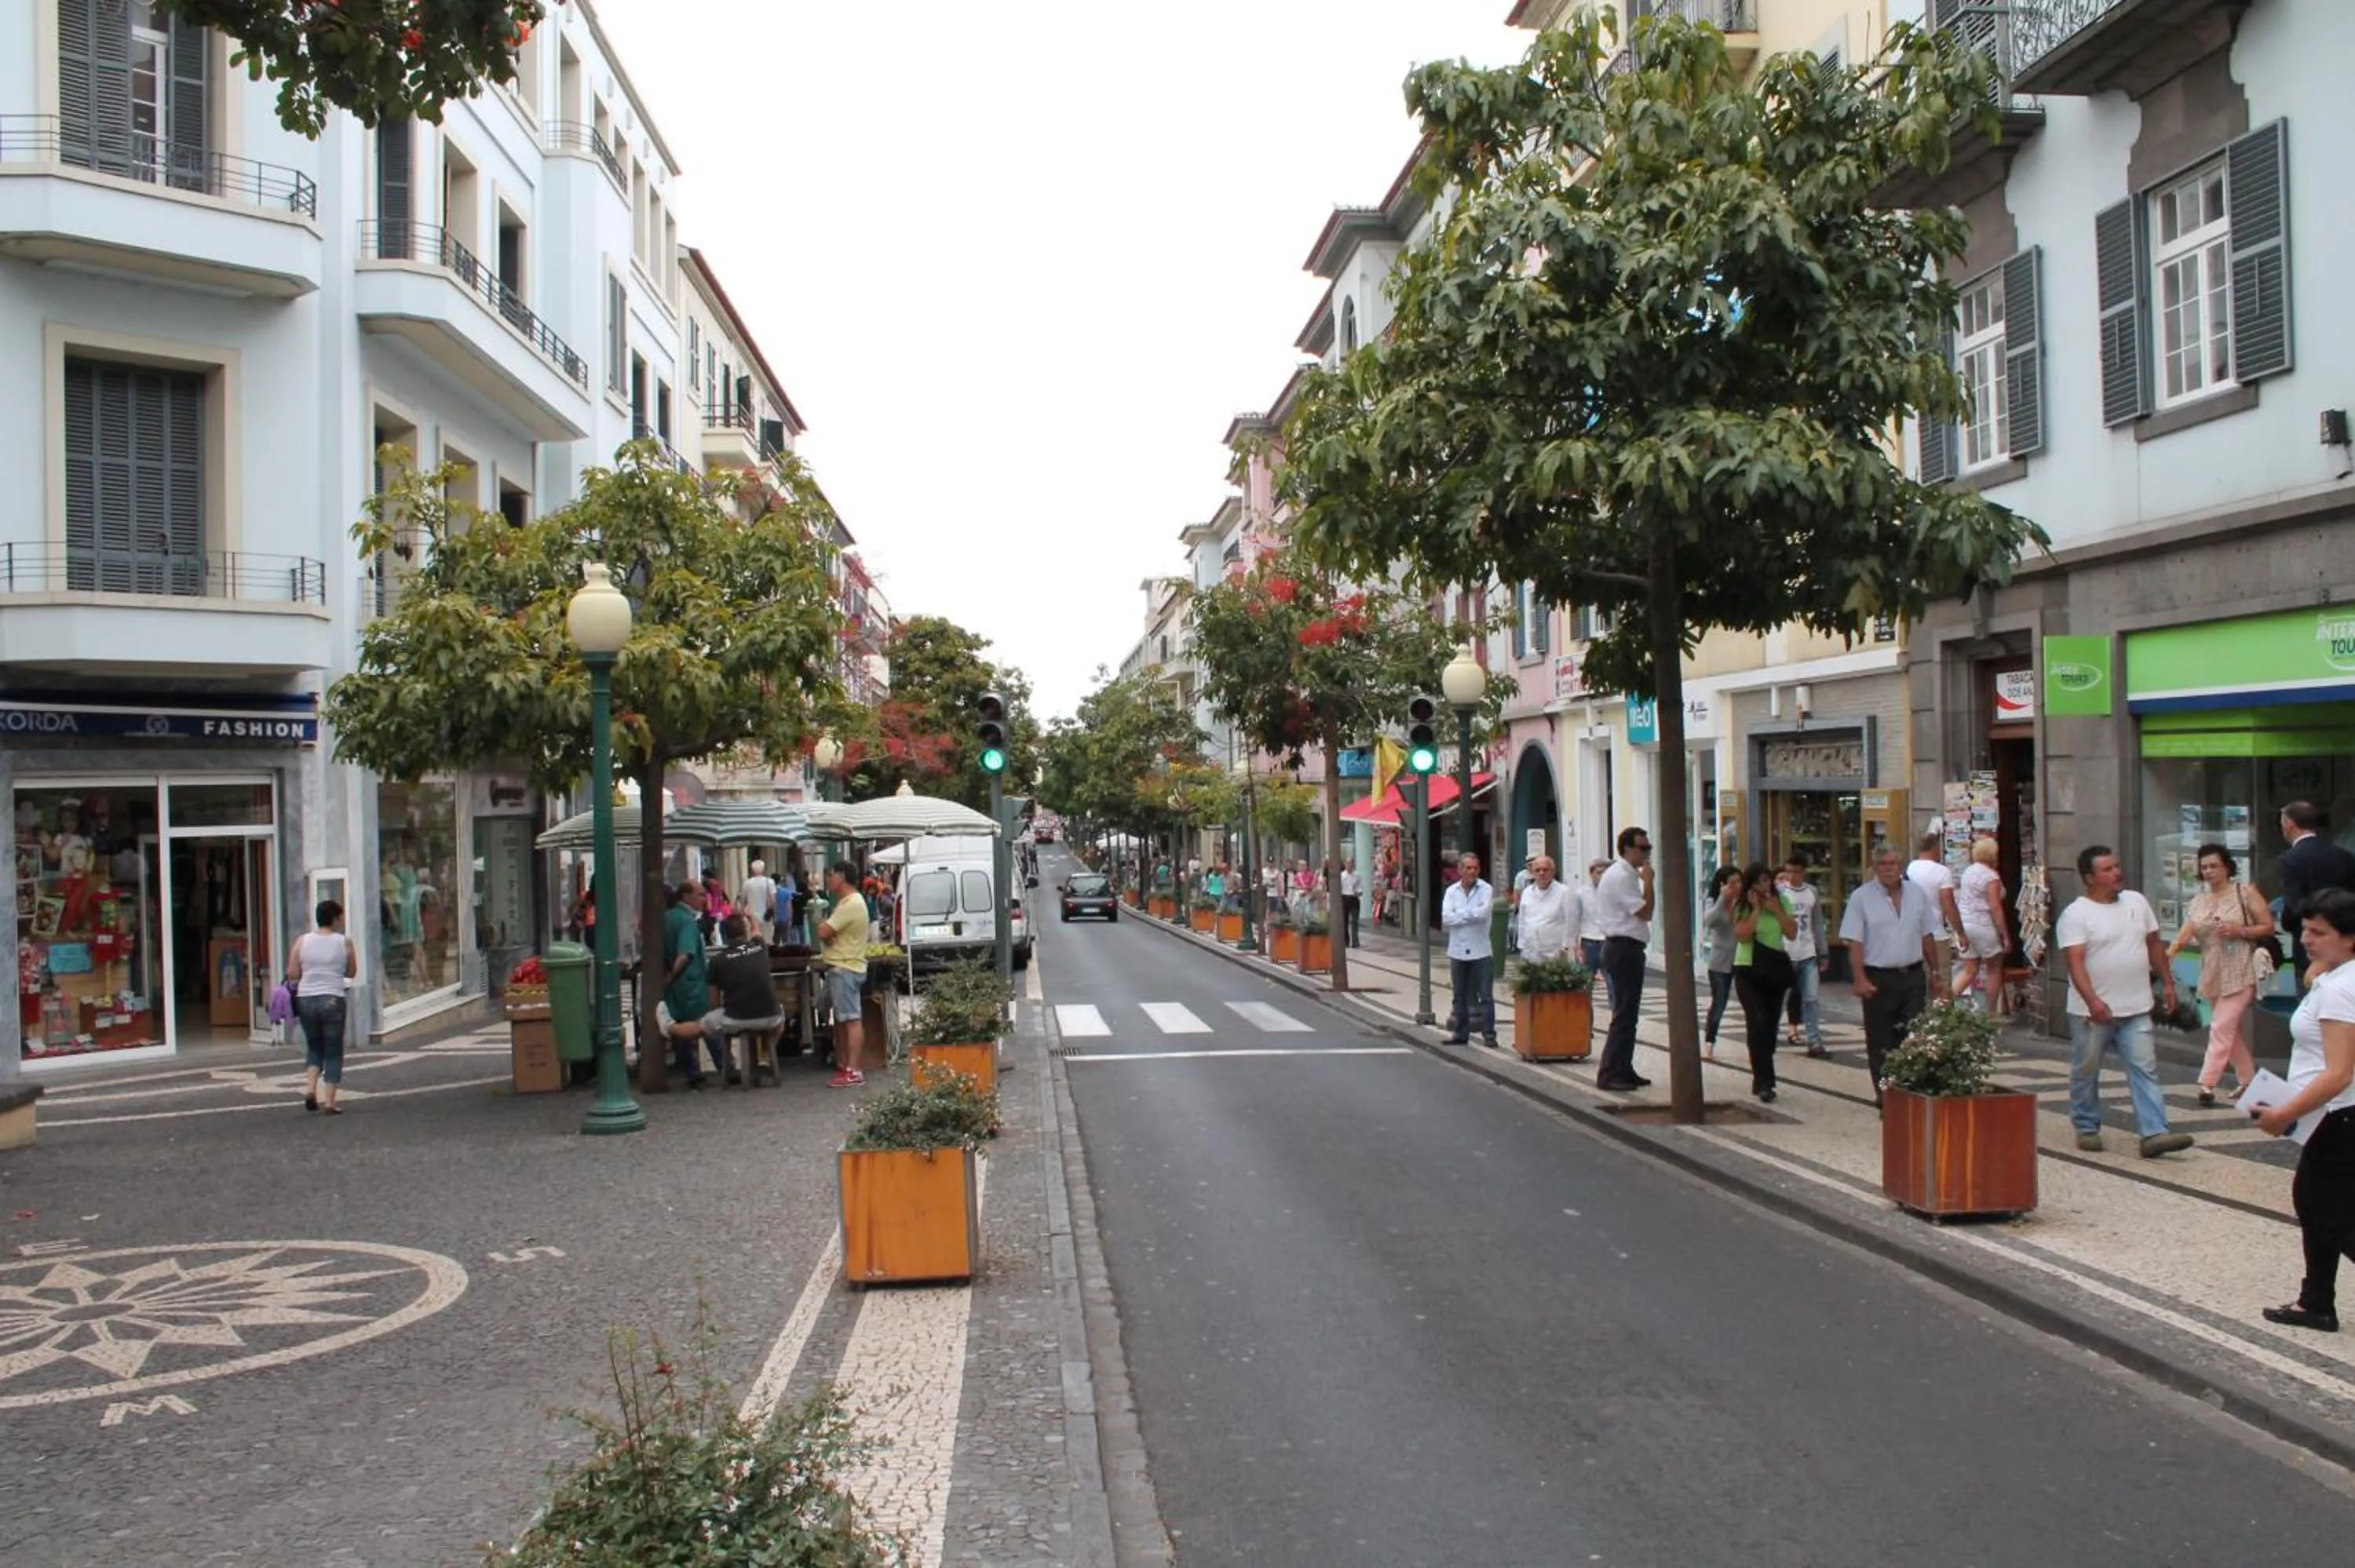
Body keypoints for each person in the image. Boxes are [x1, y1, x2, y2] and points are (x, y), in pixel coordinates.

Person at [2252, 888, 2355, 1333]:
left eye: (2320, 932)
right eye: (2305, 931)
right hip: (2335, 1114)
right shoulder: (2339, 978)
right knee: (2321, 1207)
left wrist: (2283, 1113)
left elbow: (2339, 1073)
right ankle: (2315, 1302)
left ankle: (2316, 1302)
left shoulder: (2341, 990)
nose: (2308, 940)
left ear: (2349, 937)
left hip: (2336, 1113)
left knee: (2327, 1212)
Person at [2057, 844, 2192, 1158]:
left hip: (2136, 1006)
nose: (2117, 873)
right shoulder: (2076, 914)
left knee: (2145, 1068)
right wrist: (2093, 1001)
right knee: (2087, 1069)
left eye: (2117, 867)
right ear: (2089, 878)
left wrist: (2168, 984)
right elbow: (2074, 963)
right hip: (2093, 1012)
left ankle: (2154, 1132)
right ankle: (2087, 1126)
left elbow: (2154, 946)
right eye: (2107, 870)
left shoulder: (2137, 902)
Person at [2167, 841, 2274, 1108]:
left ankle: (2207, 1082)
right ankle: (2248, 1080)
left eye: (2214, 865)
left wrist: (2241, 932)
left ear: (2226, 867)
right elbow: (2185, 933)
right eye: (2204, 867)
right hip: (2213, 970)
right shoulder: (2199, 901)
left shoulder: (2245, 893)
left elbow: (2268, 927)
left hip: (2242, 968)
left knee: (2221, 1026)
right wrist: (2167, 955)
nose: (2209, 871)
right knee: (2229, 1031)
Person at [1841, 844, 1943, 1106]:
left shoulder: (1916, 894)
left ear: (1901, 866)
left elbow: (1927, 933)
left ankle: (1908, 1088)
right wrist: (1860, 977)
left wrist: (1936, 972)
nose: (1889, 869)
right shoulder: (1861, 897)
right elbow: (1855, 941)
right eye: (1884, 864)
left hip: (1911, 975)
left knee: (1913, 1033)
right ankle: (1886, 1094)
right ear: (1875, 868)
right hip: (1879, 977)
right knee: (1881, 1039)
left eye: (1894, 864)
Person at [659, 913, 783, 1080]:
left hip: (735, 1018)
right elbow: (757, 929)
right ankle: (764, 1057)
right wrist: (749, 915)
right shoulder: (759, 947)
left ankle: (669, 1027)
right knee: (780, 1014)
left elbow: (714, 1001)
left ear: (724, 935)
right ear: (745, 931)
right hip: (771, 1016)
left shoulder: (718, 961)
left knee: (700, 1026)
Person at [1593, 827, 1656, 1092]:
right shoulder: (1621, 877)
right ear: (1627, 849)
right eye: (1643, 848)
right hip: (1623, 948)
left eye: (1648, 848)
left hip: (1625, 948)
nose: (1647, 853)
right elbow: (1645, 912)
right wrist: (1649, 882)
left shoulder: (1624, 874)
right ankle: (1609, 1073)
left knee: (1629, 1014)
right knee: (1623, 1013)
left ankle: (1624, 1068)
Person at [1731, 863, 1797, 1104]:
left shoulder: (1782, 902)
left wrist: (1776, 909)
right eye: (1758, 882)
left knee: (1770, 1026)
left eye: (1766, 881)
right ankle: (1764, 1081)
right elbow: (1742, 935)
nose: (1763, 886)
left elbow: (1791, 933)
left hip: (1774, 970)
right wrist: (1757, 910)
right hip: (1748, 969)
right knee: (1757, 1021)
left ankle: (1763, 1074)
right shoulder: (1742, 906)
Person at [287, 899, 356, 1115]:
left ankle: (309, 1090)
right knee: (334, 1051)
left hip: (306, 999)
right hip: (333, 999)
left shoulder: (302, 941)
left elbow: (292, 973)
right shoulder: (344, 942)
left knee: (315, 1046)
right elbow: (351, 972)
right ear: (335, 919)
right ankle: (330, 1102)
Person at [2277, 801, 2355, 979]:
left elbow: (2294, 906)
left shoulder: (2289, 860)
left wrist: (2286, 923)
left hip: (2310, 950)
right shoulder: (2343, 856)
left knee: (2309, 1000)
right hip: (2344, 945)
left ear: (2289, 824)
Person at [817, 862, 871, 1088]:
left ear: (841, 876)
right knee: (840, 1017)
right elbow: (829, 934)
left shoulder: (850, 904)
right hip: (843, 966)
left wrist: (824, 928)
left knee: (851, 1019)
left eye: (830, 874)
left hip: (845, 968)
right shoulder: (847, 903)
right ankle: (845, 1064)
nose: (828, 879)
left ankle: (854, 1070)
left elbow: (824, 931)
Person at [658, 881, 714, 1087]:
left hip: (676, 986)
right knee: (706, 1025)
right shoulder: (687, 922)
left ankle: (690, 1070)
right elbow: (685, 954)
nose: (704, 899)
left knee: (680, 1026)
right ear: (685, 896)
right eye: (700, 895)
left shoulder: (667, 918)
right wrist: (673, 975)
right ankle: (726, 1066)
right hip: (689, 983)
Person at [1440, 853, 1498, 1048]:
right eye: (1468, 868)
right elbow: (1446, 919)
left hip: (1480, 950)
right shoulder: (1451, 892)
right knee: (1459, 995)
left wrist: (1459, 916)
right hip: (1457, 950)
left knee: (1486, 995)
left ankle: (1489, 1034)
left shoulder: (1486, 889)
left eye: (1475, 868)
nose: (1472, 871)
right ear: (1460, 870)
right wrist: (1468, 915)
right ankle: (1460, 1033)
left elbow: (1482, 915)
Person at [1953, 837, 2012, 1015]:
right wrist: (2005, 935)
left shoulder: (1969, 871)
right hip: (1983, 925)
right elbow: (1995, 907)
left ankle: (1944, 1003)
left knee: (1969, 969)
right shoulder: (1990, 877)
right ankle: (1992, 1011)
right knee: (1994, 968)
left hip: (1965, 924)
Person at [1778, 857, 1827, 1058]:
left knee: (1811, 998)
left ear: (1803, 872)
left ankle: (1814, 1041)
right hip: (1785, 953)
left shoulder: (1811, 893)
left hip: (1807, 952)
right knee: (1779, 998)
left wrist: (1823, 951)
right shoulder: (1781, 893)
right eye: (1788, 871)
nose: (1791, 876)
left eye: (1796, 871)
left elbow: (1818, 924)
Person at [1908, 831, 1964, 990]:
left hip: (1914, 934)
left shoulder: (1910, 869)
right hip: (1936, 934)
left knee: (1920, 981)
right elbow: (1948, 903)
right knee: (1941, 980)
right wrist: (1960, 932)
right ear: (1935, 848)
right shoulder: (1942, 872)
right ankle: (1941, 1013)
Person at [1700, 865, 1742, 1062]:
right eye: (1731, 883)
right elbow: (1709, 921)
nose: (1736, 886)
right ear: (1723, 884)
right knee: (1720, 1002)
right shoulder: (1714, 900)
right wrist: (1723, 899)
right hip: (1721, 960)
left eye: (1739, 882)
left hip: (1743, 958)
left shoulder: (1745, 901)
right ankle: (1710, 1040)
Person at [1513, 855, 1577, 964]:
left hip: (1555, 953)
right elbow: (1522, 920)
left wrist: (1566, 947)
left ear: (1553, 872)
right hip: (1531, 951)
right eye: (1538, 870)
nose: (1541, 873)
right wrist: (1522, 944)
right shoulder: (1527, 893)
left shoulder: (1564, 892)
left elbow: (1571, 922)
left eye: (1545, 870)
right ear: (1532, 873)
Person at [1579, 859, 1611, 1003]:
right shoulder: (1581, 893)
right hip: (1588, 941)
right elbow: (1574, 918)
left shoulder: (1614, 893)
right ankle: (1585, 1023)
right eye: (1599, 873)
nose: (1602, 877)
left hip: (1609, 941)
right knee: (1585, 986)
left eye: (1605, 873)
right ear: (1591, 874)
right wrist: (1575, 944)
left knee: (1614, 984)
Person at [739, 858, 779, 944]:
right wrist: (775, 915)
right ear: (763, 869)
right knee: (767, 941)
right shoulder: (770, 882)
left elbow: (743, 901)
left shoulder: (747, 883)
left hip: (752, 919)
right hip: (766, 918)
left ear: (752, 870)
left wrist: (743, 913)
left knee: (753, 942)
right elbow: (773, 901)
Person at [1340, 857, 1363, 948]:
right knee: (1345, 921)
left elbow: (1360, 887)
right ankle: (1346, 941)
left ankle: (1355, 941)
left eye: (1351, 863)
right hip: (1345, 898)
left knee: (1355, 921)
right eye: (1348, 863)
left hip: (1354, 898)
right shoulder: (1342, 876)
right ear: (1345, 864)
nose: (1350, 865)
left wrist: (1359, 892)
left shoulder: (1357, 875)